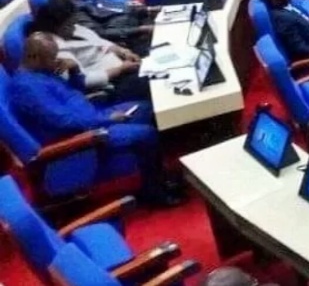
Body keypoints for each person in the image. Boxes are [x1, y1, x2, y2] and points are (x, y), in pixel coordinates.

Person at [9, 33, 181, 206]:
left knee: (148, 109)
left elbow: (78, 89)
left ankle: (157, 177)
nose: (56, 61)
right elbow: (64, 122)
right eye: (51, 58)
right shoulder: (27, 88)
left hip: (94, 115)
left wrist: (74, 69)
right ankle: (151, 193)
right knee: (147, 134)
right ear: (34, 57)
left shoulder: (44, 71)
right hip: (83, 134)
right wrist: (106, 119)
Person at [29, 0, 148, 102]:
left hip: (123, 64)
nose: (74, 27)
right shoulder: (55, 50)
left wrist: (124, 52)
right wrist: (121, 69)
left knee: (151, 49)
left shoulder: (72, 28)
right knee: (150, 81)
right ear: (55, 26)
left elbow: (101, 42)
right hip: (113, 83)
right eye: (70, 24)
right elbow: (85, 81)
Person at [48, 0, 155, 56]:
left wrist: (148, 10)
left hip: (138, 23)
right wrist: (141, 29)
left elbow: (115, 7)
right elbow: (100, 34)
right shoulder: (71, 9)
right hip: (127, 40)